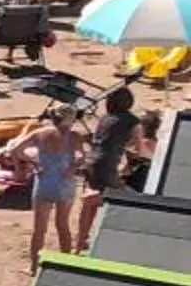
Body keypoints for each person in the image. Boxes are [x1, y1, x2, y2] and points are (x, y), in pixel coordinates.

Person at [76, 86, 146, 250]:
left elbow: (105, 142)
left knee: (91, 205)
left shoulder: (105, 119)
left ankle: (81, 241)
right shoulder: (133, 122)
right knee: (124, 198)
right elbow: (140, 150)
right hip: (106, 165)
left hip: (91, 161)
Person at [14, 106, 83, 264]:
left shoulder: (40, 133)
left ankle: (34, 265)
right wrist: (72, 168)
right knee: (63, 225)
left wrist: (32, 162)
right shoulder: (75, 136)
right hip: (65, 183)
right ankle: (66, 263)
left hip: (45, 181)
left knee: (39, 229)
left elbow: (17, 150)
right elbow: (81, 157)